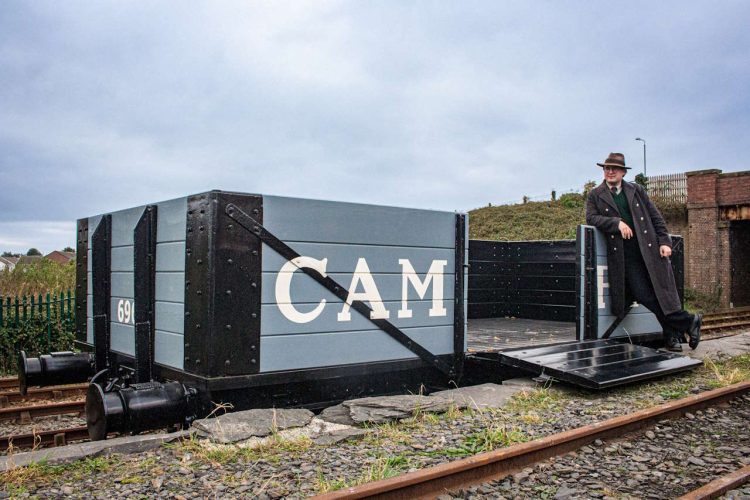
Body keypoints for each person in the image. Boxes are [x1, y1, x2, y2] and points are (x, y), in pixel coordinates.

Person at [585, 152, 701, 352]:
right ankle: (688, 321)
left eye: (614, 168)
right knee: (644, 295)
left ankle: (672, 335)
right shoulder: (596, 194)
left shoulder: (636, 190)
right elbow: (591, 218)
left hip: (648, 250)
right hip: (624, 255)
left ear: (622, 172)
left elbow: (656, 217)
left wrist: (664, 242)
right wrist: (616, 223)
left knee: (661, 294)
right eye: (606, 168)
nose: (610, 172)